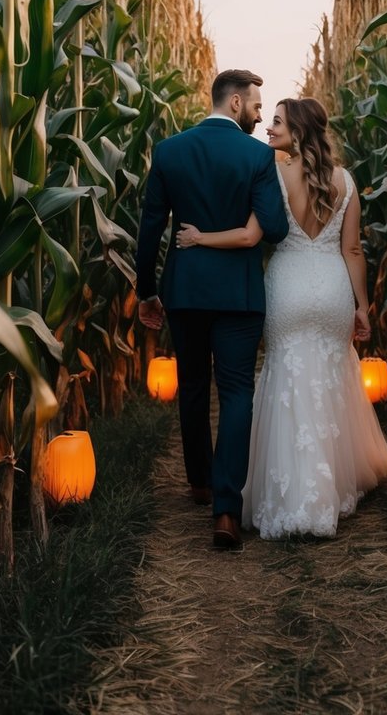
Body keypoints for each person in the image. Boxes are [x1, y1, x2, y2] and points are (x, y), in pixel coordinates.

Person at [176, 96, 387, 540]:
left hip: (288, 286)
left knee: (288, 378)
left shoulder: (272, 174)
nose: (268, 128)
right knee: (331, 377)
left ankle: (292, 495)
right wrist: (363, 305)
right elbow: (353, 250)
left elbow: (251, 236)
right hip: (332, 286)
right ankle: (329, 490)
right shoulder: (346, 181)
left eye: (276, 121)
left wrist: (200, 237)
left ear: (297, 131)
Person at [135, 69, 289, 551]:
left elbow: (151, 229)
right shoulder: (257, 156)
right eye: (258, 105)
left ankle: (199, 483)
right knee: (237, 391)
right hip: (239, 295)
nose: (260, 114)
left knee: (195, 387)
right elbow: (277, 229)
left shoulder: (169, 151)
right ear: (237, 102)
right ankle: (226, 509)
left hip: (185, 291)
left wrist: (146, 291)